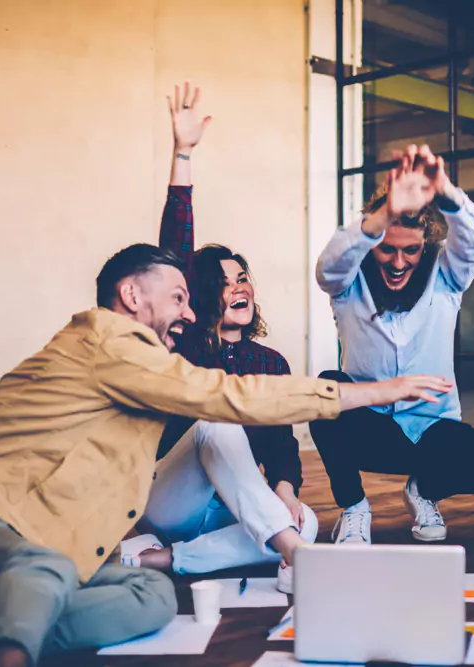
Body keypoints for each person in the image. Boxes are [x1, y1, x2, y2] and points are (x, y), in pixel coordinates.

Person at [0, 243, 451, 667]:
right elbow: (228, 396)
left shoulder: (168, 357)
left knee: (150, 597)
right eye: (178, 298)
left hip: (33, 544)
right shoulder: (108, 342)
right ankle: (302, 560)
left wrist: (283, 489)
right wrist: (377, 390)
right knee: (40, 565)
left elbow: (272, 428)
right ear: (132, 297)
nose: (186, 312)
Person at [119, 83, 317, 593]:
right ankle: (291, 555)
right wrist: (182, 156)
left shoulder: (270, 361)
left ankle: (164, 560)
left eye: (243, 276)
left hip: (231, 507)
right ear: (203, 296)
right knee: (217, 422)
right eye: (225, 281)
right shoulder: (187, 347)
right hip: (173, 498)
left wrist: (286, 488)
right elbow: (175, 250)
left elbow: (282, 442)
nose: (240, 286)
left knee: (308, 520)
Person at [311, 144, 474, 544]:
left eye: (411, 250)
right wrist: (381, 216)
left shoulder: (446, 277)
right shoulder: (349, 282)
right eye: (388, 249)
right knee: (324, 391)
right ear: (374, 243)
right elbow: (328, 267)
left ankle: (423, 491)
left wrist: (445, 191)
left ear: (426, 245)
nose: (399, 263)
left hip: (432, 431)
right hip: (370, 428)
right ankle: (353, 509)